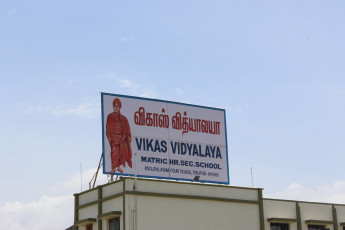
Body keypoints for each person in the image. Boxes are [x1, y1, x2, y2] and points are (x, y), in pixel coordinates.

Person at [106, 98, 132, 174]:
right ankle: (113, 168)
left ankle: (118, 167)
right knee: (114, 152)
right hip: (113, 139)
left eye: (117, 106)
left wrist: (126, 137)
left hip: (122, 139)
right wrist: (109, 136)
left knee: (121, 151)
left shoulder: (123, 119)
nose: (115, 107)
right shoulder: (110, 116)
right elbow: (108, 127)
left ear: (119, 107)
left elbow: (127, 129)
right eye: (114, 106)